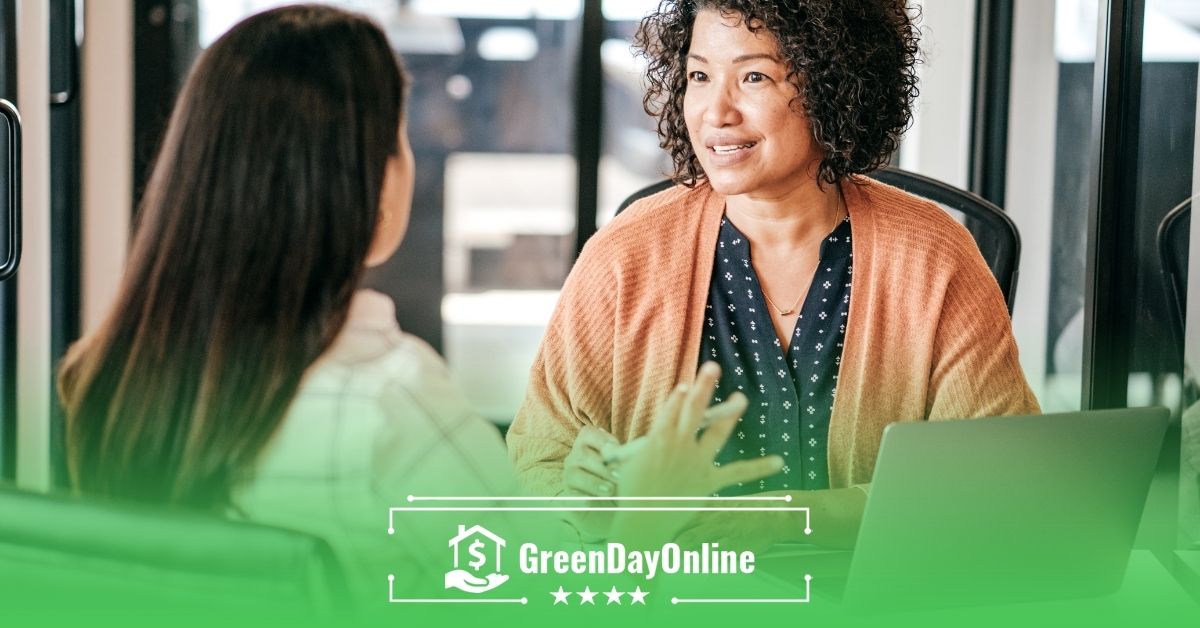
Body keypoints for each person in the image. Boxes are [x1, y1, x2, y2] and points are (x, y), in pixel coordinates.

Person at [55, 4, 778, 604]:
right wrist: (652, 513)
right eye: (398, 138)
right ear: (364, 184)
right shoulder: (387, 398)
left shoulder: (106, 378)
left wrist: (600, 498)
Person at [507, 0, 1039, 550]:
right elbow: (540, 458)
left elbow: (990, 484)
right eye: (699, 75)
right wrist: (577, 496)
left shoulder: (933, 255)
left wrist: (772, 520)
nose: (716, 112)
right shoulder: (625, 254)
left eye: (754, 76)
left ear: (834, 85)